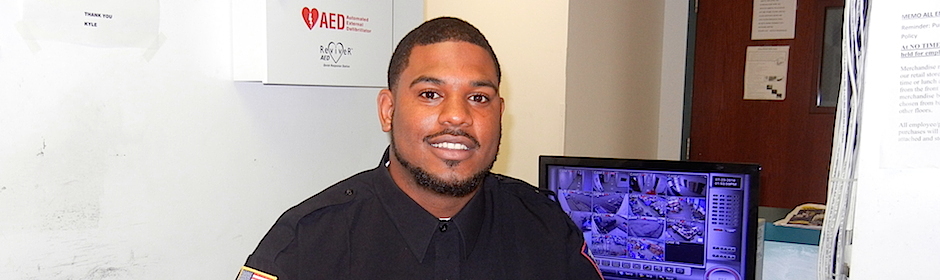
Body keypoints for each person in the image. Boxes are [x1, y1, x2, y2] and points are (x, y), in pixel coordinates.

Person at [237, 17, 603, 280]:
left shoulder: (544, 229)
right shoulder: (308, 242)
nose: (457, 116)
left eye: (479, 97)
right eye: (430, 94)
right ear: (388, 110)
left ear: (500, 114)